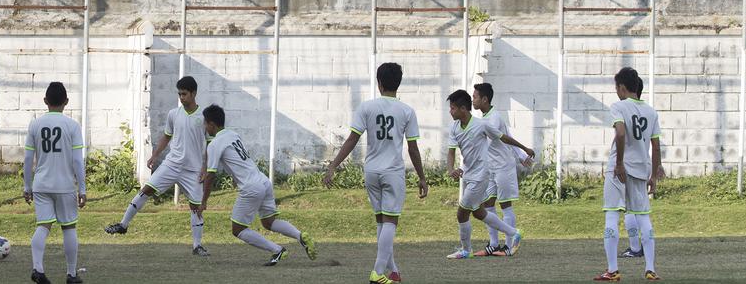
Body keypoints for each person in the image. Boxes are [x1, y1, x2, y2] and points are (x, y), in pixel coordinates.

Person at [324, 62, 427, 284]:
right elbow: (413, 148)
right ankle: (377, 273)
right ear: (398, 83)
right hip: (392, 172)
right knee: (390, 222)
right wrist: (422, 177)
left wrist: (333, 165)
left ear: (379, 83)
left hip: (371, 171)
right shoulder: (407, 111)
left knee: (381, 222)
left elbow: (352, 139)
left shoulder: (366, 107)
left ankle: (393, 270)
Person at [197, 105, 316, 266]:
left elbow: (210, 175)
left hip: (251, 187)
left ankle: (278, 250)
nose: (204, 127)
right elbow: (238, 160)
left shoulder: (215, 144)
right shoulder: (233, 134)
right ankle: (300, 236)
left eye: (205, 123)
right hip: (263, 180)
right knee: (269, 222)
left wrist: (204, 201)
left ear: (211, 124)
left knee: (237, 229)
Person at [105, 76, 210, 256]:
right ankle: (123, 225)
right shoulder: (173, 114)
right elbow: (167, 136)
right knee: (146, 190)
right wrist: (155, 155)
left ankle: (197, 245)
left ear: (194, 93)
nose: (181, 97)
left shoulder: (204, 117)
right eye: (179, 94)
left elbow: (210, 145)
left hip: (193, 170)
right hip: (171, 164)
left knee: (196, 207)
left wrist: (205, 168)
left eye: (184, 94)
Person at [444, 89, 534, 260]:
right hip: (468, 175)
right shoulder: (454, 127)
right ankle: (514, 233)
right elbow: (450, 152)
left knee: (462, 213)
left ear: (463, 109)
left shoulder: (481, 124)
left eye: (453, 108)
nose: (450, 111)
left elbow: (504, 138)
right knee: (478, 212)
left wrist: (524, 149)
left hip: (481, 175)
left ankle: (466, 249)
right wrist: (450, 170)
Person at [594, 67, 663, 282]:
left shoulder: (619, 107)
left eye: (616, 87)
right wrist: (655, 171)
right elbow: (656, 144)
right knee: (643, 216)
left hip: (620, 169)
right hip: (642, 168)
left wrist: (619, 163)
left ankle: (613, 270)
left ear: (621, 87)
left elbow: (621, 133)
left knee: (612, 214)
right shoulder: (651, 112)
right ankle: (650, 269)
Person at [24, 82, 87, 284]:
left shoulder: (35, 124)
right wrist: (82, 188)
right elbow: (77, 160)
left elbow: (27, 159)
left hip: (41, 184)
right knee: (68, 228)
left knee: (43, 226)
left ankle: (38, 269)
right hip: (65, 185)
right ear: (66, 102)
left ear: (45, 101)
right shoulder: (72, 125)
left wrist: (27, 185)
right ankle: (71, 274)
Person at [471, 82, 525, 257]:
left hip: (503, 166)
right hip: (490, 168)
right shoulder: (483, 118)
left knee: (505, 205)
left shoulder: (494, 118)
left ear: (484, 99)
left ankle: (509, 246)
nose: (473, 100)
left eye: (475, 97)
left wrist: (522, 153)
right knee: (487, 204)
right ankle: (494, 244)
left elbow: (506, 137)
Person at [621, 78, 649, 260]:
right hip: (644, 163)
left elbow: (621, 137)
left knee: (630, 209)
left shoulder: (623, 111)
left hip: (628, 165)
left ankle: (634, 247)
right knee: (642, 209)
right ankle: (646, 245)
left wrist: (616, 164)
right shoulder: (649, 111)